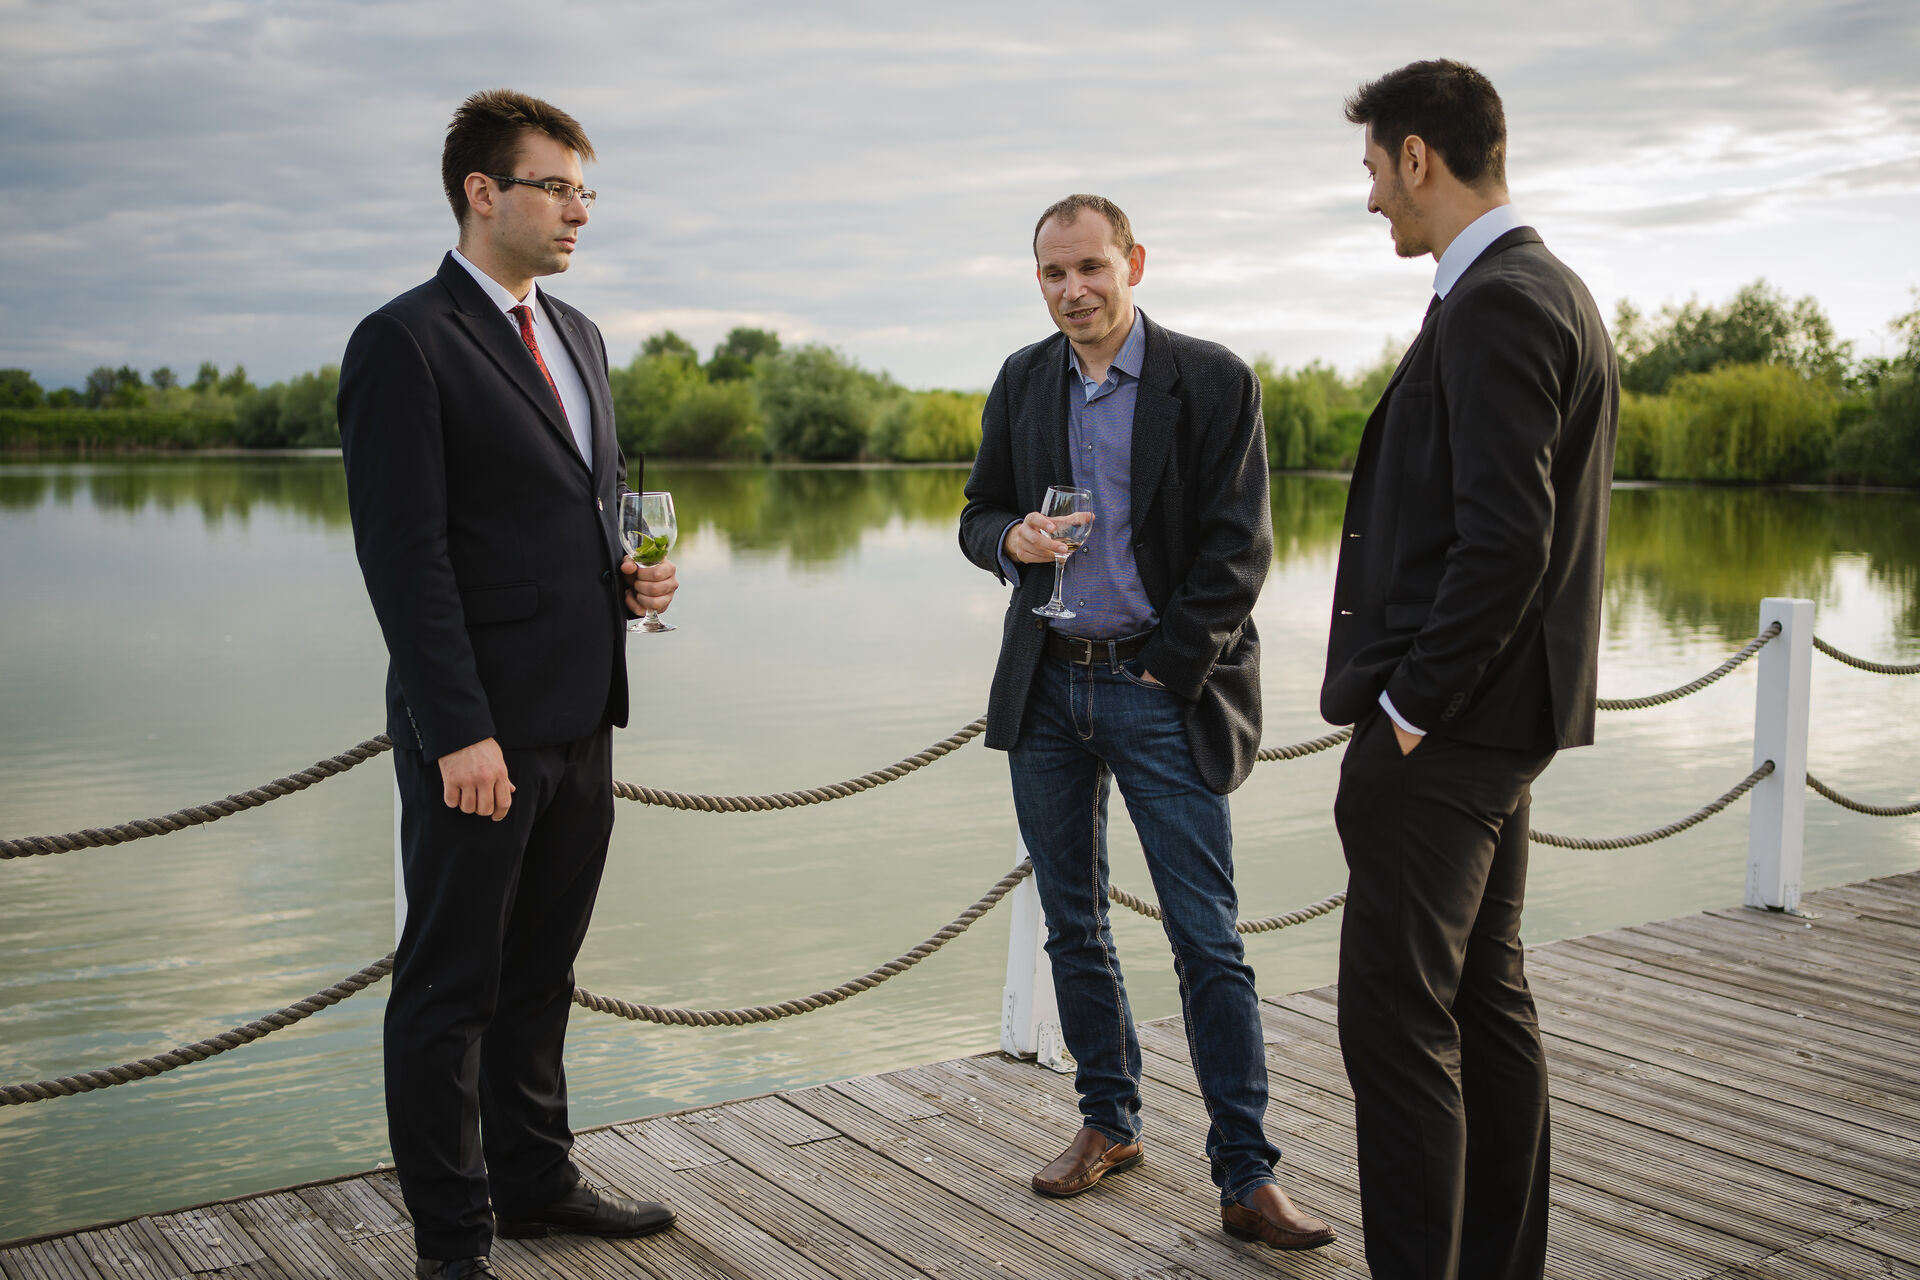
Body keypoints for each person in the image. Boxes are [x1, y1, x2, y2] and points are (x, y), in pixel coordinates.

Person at [338, 89, 680, 1280]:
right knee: (449, 990)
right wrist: (458, 731)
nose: (579, 210)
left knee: (541, 973)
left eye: (586, 191)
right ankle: (453, 1242)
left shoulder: (577, 332)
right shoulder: (404, 340)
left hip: (584, 712)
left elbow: (583, 506)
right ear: (483, 192)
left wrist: (631, 578)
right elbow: (407, 559)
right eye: (557, 187)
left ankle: (536, 1184)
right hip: (477, 733)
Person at [958, 194, 1335, 1251]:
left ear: (1133, 262)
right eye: (1052, 273)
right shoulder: (1023, 379)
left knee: (1207, 937)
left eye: (1090, 267)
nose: (1072, 289)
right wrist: (1011, 540)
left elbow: (1239, 551)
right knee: (1072, 922)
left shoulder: (1211, 379)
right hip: (1046, 689)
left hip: (1164, 691)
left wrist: (1167, 671)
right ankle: (1109, 1121)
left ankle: (1247, 1175)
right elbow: (978, 513)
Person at [1323, 61, 1619, 1280]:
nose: (1371, 199)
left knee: (1397, 1026)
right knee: (1485, 1002)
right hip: (1506, 725)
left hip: (1448, 735)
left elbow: (1508, 541)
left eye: (1373, 171)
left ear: (1418, 157)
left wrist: (1408, 708)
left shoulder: (1498, 299)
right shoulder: (1553, 287)